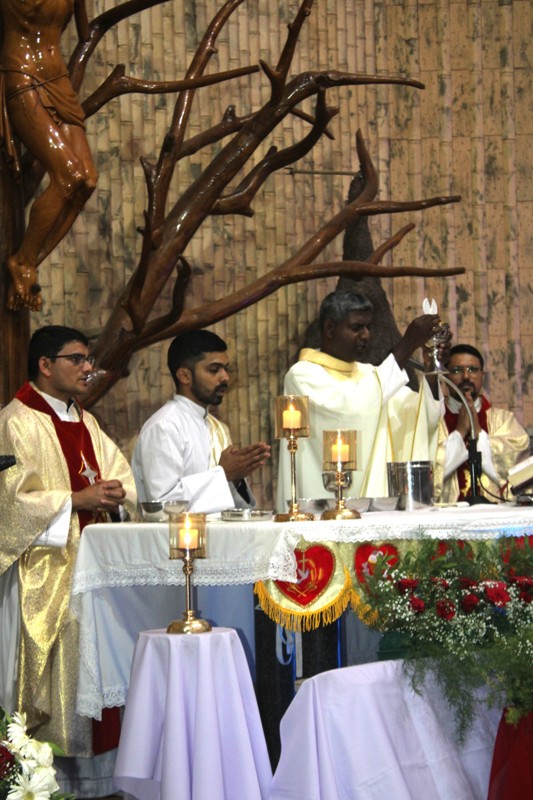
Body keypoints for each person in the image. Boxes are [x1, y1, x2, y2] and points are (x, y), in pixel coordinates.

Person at [0, 325, 136, 760]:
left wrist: (115, 494)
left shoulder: (86, 420)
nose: (87, 368)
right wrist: (77, 500)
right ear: (45, 365)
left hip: (92, 567)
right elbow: (10, 502)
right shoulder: (16, 421)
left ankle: (99, 776)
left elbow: (121, 478)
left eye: (88, 359)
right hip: (41, 571)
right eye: (76, 359)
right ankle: (43, 774)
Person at [276, 290, 443, 510]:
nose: (366, 335)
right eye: (356, 327)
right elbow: (350, 409)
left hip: (376, 510)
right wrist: (406, 345)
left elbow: (419, 415)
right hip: (320, 511)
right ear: (330, 329)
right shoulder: (302, 376)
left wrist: (431, 365)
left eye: (368, 327)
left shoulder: (369, 374)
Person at [0, 0, 98, 312]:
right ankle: (22, 263)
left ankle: (29, 262)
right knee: (68, 176)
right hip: (23, 72)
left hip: (58, 78)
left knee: (87, 181)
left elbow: (85, 31)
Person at [132, 329, 271, 512]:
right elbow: (164, 505)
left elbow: (226, 505)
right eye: (214, 370)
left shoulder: (216, 427)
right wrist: (223, 475)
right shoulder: (164, 427)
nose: (225, 377)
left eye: (225, 368)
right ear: (184, 376)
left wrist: (235, 478)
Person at [434, 343, 530, 503]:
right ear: (445, 376)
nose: (466, 376)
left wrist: (478, 431)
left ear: (482, 375)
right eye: (457, 370)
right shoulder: (433, 422)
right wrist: (459, 432)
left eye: (473, 369)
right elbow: (427, 476)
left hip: (496, 514)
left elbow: (519, 477)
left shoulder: (504, 420)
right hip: (446, 514)